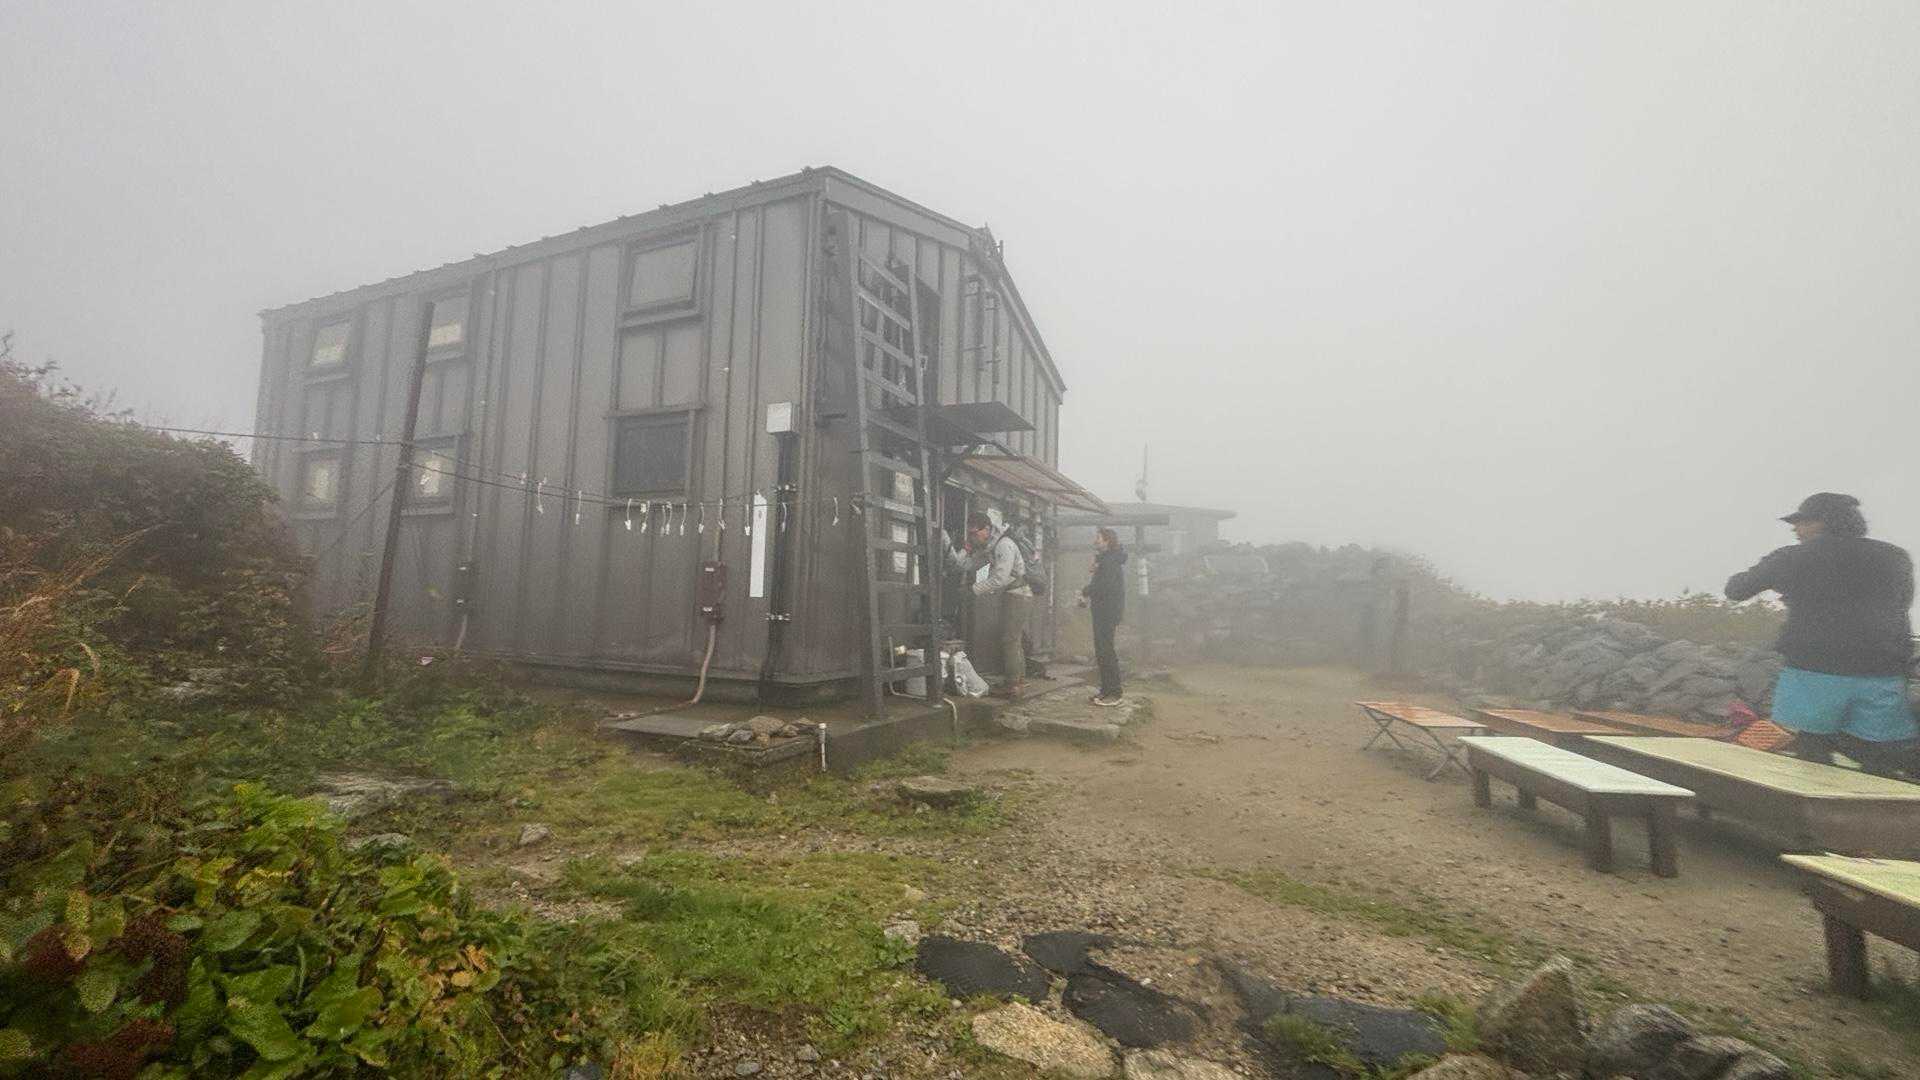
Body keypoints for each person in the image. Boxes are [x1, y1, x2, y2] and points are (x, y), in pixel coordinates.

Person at [1725, 492, 1917, 774]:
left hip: (1815, 670)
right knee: (1879, 753)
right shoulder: (1895, 557)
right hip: (1883, 671)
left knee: (1812, 746)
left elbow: (1737, 590)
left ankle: (1815, 796)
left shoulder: (1793, 557)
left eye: (1801, 522)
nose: (1795, 529)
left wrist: (1785, 582)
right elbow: (1902, 602)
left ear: (1822, 522)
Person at [952, 511, 1035, 699]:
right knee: (1013, 639)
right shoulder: (989, 547)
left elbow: (1000, 578)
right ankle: (1018, 682)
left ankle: (1013, 685)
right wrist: (966, 548)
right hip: (1013, 595)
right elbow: (962, 565)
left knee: (1010, 639)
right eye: (970, 534)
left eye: (975, 533)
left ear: (987, 529)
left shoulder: (1004, 545)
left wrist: (973, 590)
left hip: (1019, 595)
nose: (973, 537)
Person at [1079, 527, 1128, 706]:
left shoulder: (1110, 561)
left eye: (1098, 538)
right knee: (1102, 650)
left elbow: (1105, 586)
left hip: (1107, 611)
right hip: (1103, 610)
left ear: (1107, 541)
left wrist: (1086, 591)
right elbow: (1101, 582)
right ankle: (1106, 689)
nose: (1095, 541)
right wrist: (1096, 566)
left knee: (1106, 650)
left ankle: (1114, 692)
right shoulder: (1107, 559)